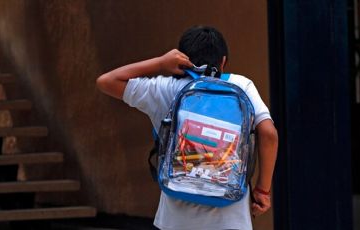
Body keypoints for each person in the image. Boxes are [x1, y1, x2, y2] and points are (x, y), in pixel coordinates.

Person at [96, 26, 278, 230]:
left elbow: (106, 81)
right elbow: (269, 134)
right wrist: (262, 191)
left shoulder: (165, 89)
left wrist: (160, 63)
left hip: (175, 220)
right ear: (223, 61)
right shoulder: (241, 86)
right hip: (231, 219)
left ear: (181, 58)